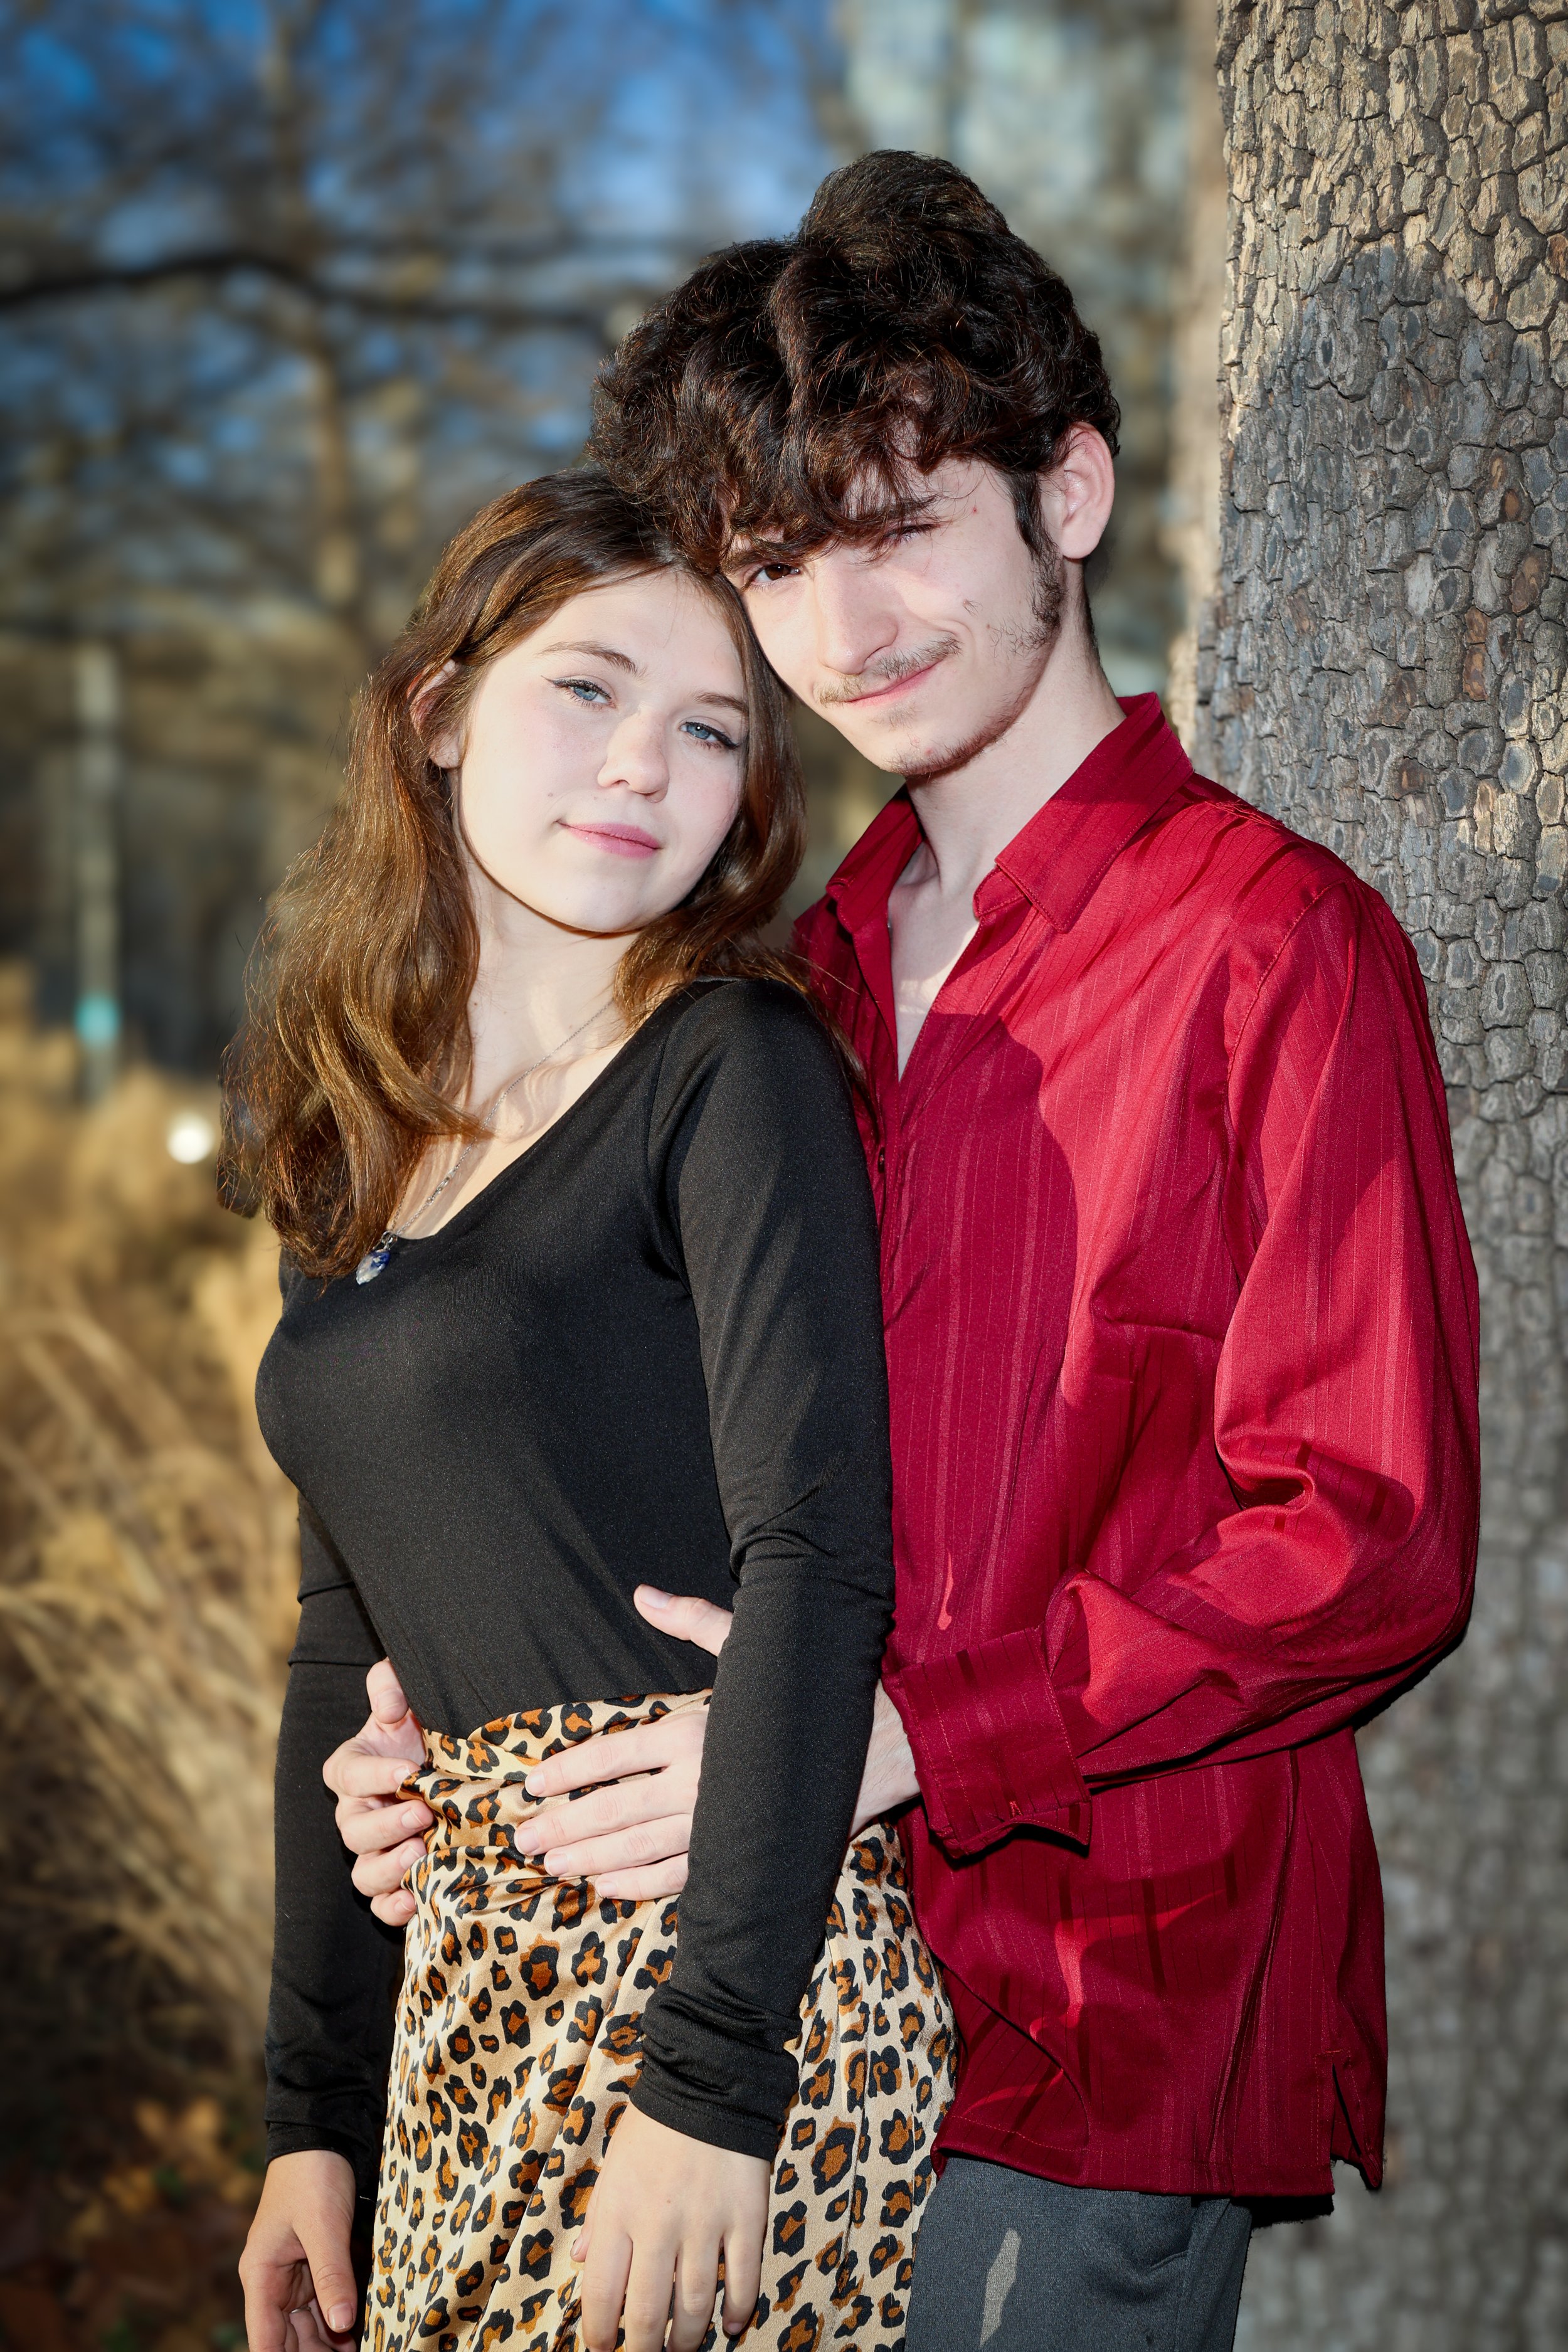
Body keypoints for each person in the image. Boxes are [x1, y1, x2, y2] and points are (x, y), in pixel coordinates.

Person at [326, 154, 1481, 2352]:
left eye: (899, 529)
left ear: (1069, 494)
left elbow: (1366, 1535)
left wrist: (906, 1733)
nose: (842, 633)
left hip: (1093, 2020)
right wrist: (454, 1730)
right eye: (776, 570)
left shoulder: (1273, 947)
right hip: (744, 1981)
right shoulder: (792, 989)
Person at [229, 467, 955, 2352]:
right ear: (439, 708)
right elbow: (343, 1647)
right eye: (588, 689)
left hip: (713, 1990)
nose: (647, 763)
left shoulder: (730, 1063)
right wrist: (312, 2121)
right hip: (463, 2001)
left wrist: (709, 2090)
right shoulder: (359, 1143)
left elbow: (817, 1551)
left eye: (710, 726)